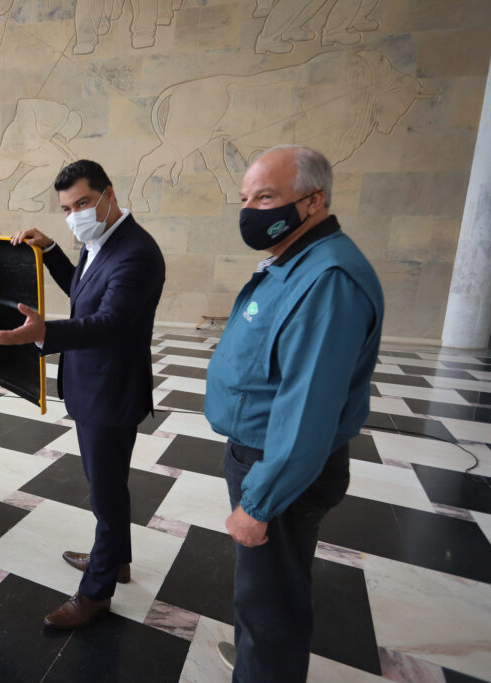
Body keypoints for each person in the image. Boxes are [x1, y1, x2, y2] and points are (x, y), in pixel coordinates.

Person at [204, 144, 384, 682]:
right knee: (265, 589)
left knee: (270, 605)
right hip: (262, 456)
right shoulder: (296, 260)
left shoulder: (327, 279)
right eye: (245, 198)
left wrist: (258, 505)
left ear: (314, 201)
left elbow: (307, 410)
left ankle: (266, 668)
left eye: (266, 196)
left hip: (277, 468)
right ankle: (262, 661)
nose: (251, 211)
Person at [0, 159, 165, 629]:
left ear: (109, 194)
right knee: (106, 486)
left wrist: (44, 334)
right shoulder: (98, 241)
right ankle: (117, 560)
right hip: (92, 385)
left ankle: (96, 595)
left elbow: (110, 322)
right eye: (66, 208)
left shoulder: (136, 254)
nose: (74, 214)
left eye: (82, 203)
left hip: (111, 391)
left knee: (104, 494)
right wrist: (49, 253)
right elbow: (83, 294)